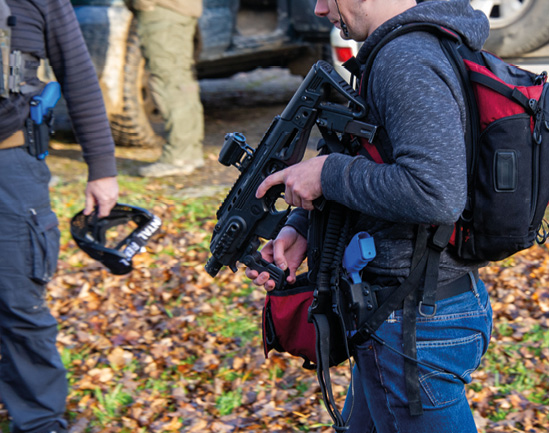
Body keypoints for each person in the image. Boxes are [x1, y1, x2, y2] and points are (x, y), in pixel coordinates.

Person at [245, 0, 493, 432]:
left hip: (413, 323)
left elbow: (435, 193)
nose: (320, 9)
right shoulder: (399, 49)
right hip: (402, 311)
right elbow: (370, 156)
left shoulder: (406, 59)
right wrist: (301, 226)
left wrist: (327, 174)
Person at [0, 1, 119, 432]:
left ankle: (38, 422)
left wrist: (102, 169)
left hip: (10, 163)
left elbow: (78, 74)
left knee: (19, 304)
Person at [125, 0, 205, 178]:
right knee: (181, 80)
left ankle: (179, 157)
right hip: (177, 9)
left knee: (168, 81)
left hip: (163, 10)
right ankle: (190, 152)